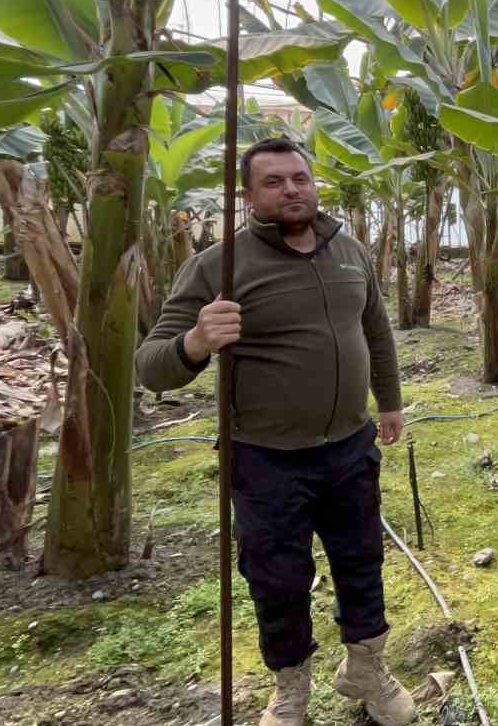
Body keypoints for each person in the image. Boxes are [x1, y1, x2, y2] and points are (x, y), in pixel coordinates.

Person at [136, 138, 415, 726]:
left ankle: (366, 666)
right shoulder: (221, 265)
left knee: (361, 560)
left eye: (300, 178)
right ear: (249, 196)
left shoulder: (350, 251)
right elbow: (150, 362)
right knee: (278, 577)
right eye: (274, 182)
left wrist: (389, 402)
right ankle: (291, 685)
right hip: (266, 456)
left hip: (349, 445)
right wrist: (196, 342)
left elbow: (377, 331)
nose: (292, 190)